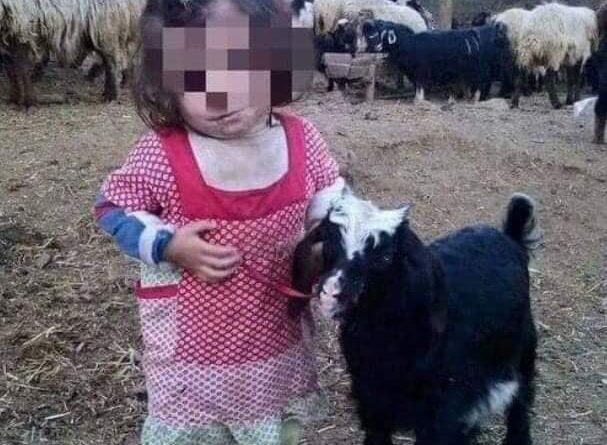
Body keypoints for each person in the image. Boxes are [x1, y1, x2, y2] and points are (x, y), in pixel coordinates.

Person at [93, 0, 345, 443]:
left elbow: (330, 203)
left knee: (274, 430)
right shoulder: (163, 154)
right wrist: (168, 245)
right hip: (194, 365)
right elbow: (113, 207)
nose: (217, 94)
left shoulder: (302, 141)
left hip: (276, 348)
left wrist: (330, 249)